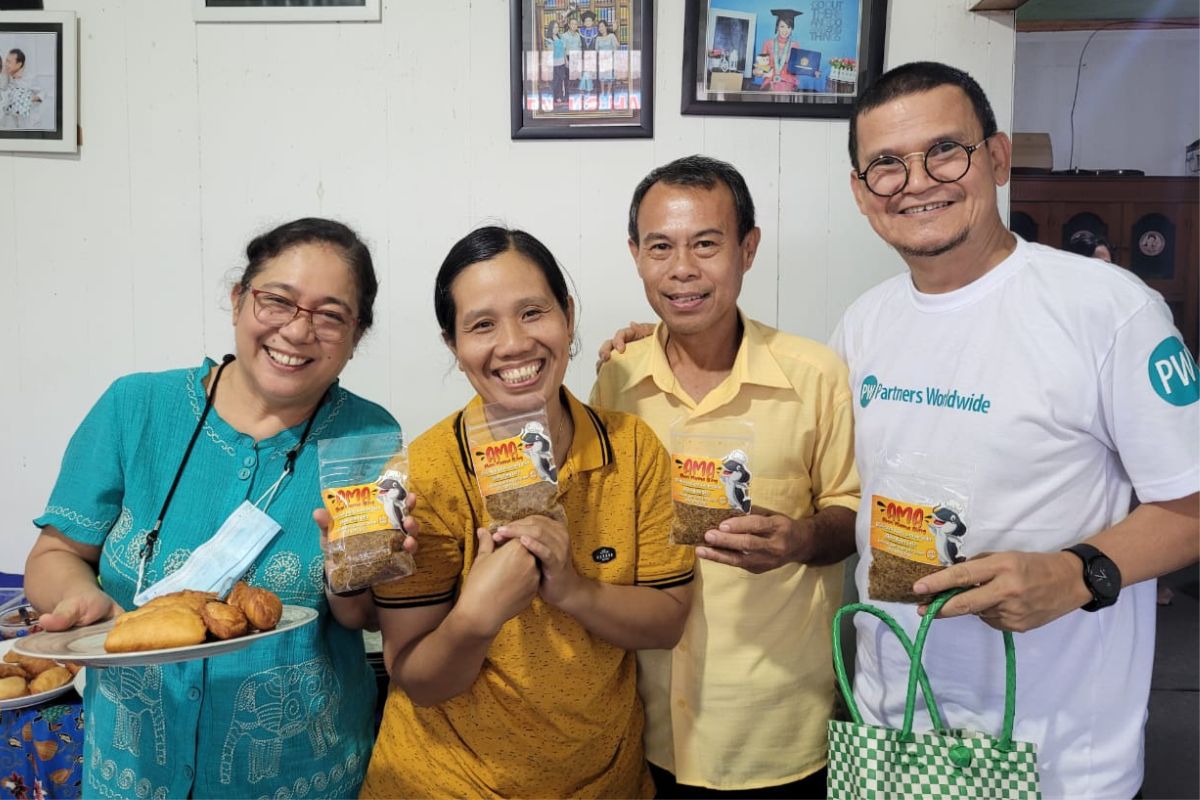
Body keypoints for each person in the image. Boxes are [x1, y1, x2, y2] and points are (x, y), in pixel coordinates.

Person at [833, 60, 1199, 799]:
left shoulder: (1107, 309)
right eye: (885, 165)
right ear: (862, 193)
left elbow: (1190, 506)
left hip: (1059, 754)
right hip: (891, 733)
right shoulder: (863, 320)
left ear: (996, 159)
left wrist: (1079, 574)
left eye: (945, 150)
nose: (918, 181)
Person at [24, 217, 414, 799]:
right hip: (133, 775)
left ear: (356, 336)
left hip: (301, 776)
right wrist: (76, 594)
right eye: (277, 301)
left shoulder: (368, 435)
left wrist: (350, 575)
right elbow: (56, 552)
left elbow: (361, 617)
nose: (297, 331)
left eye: (331, 315)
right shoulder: (136, 407)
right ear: (238, 301)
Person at [358, 226, 695, 798]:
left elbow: (667, 620)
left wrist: (571, 589)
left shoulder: (633, 448)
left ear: (567, 314)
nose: (514, 344)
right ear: (452, 344)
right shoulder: (425, 476)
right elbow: (419, 680)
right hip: (442, 783)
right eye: (482, 325)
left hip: (605, 781)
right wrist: (475, 618)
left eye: (533, 312)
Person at [592, 155, 861, 798]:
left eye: (706, 244)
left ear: (748, 249)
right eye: (661, 247)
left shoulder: (815, 375)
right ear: (636, 255)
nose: (682, 269)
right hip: (646, 719)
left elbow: (853, 515)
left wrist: (798, 540)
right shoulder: (618, 378)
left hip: (776, 727)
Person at [754, 9, 805, 92]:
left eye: (789, 27)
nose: (785, 30)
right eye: (782, 26)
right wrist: (757, 71)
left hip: (788, 82)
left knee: (783, 92)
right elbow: (761, 65)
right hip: (770, 81)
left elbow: (798, 67)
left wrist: (812, 71)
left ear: (792, 29)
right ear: (777, 27)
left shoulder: (795, 45)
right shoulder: (767, 43)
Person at [0, 49, 43, 129]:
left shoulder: (30, 78)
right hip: (13, 122)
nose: (6, 64)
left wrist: (31, 98)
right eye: (6, 60)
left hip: (29, 123)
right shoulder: (7, 75)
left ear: (19, 64)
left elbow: (42, 93)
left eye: (9, 62)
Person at [595, 18, 620, 106]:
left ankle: (608, 93)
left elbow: (616, 47)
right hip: (602, 60)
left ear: (606, 27)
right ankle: (602, 93)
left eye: (602, 26)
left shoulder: (611, 36)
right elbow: (596, 50)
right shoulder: (598, 38)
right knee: (602, 77)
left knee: (609, 77)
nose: (600, 28)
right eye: (599, 27)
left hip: (610, 59)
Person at [545, 19, 567, 107]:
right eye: (554, 27)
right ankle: (556, 97)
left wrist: (566, 60)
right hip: (554, 63)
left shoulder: (560, 37)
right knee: (556, 82)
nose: (556, 29)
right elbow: (550, 52)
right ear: (551, 28)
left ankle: (561, 96)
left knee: (562, 80)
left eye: (557, 27)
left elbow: (564, 50)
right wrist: (551, 44)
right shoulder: (548, 39)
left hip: (562, 62)